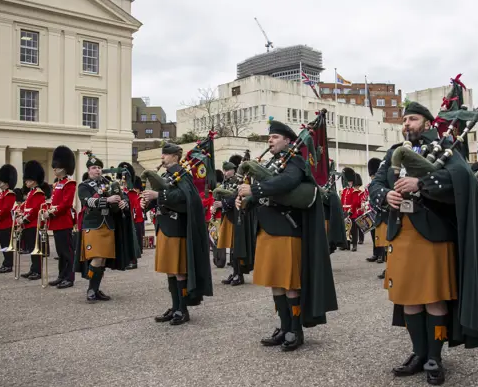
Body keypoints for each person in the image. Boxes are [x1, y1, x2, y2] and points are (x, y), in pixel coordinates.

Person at [369, 101, 478, 385]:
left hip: (432, 233)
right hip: (401, 233)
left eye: (414, 119)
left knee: (433, 299)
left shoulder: (445, 148)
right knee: (409, 300)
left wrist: (421, 184)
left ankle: (434, 356)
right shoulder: (394, 152)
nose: (407, 124)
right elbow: (376, 184)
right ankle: (418, 353)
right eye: (405, 119)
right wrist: (385, 196)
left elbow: (460, 178)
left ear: (428, 123)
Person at [236, 120, 338, 352]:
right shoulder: (272, 164)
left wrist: (256, 189)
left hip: (287, 230)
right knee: (276, 283)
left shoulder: (295, 162)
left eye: (275, 137)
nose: (270, 141)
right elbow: (266, 192)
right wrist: (244, 200)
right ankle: (283, 327)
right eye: (269, 137)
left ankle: (295, 329)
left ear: (288, 141)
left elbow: (287, 182)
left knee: (290, 283)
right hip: (268, 229)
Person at [143, 142, 212, 324]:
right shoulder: (168, 175)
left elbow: (184, 197)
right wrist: (149, 202)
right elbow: (164, 196)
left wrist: (158, 196)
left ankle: (182, 310)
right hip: (165, 227)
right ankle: (175, 307)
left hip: (177, 228)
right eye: (162, 154)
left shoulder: (183, 175)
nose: (162, 157)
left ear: (175, 156)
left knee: (179, 270)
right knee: (170, 271)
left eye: (165, 154)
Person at [75, 152, 140, 302]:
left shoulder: (108, 182)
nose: (97, 170)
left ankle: (96, 289)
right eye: (93, 167)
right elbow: (88, 202)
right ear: (88, 170)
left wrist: (124, 203)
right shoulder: (83, 185)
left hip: (109, 225)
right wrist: (107, 200)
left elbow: (122, 196)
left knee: (103, 260)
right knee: (97, 258)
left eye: (99, 167)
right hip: (92, 225)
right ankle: (91, 289)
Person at [43, 146, 77, 288]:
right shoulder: (57, 184)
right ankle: (61, 275)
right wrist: (46, 210)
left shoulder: (70, 183)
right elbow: (53, 202)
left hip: (64, 221)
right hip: (56, 222)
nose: (54, 169)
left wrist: (51, 212)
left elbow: (65, 204)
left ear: (64, 167)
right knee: (60, 251)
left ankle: (69, 277)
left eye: (56, 167)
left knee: (67, 252)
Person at [218, 155, 245, 285]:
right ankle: (234, 272)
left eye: (227, 170)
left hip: (235, 216)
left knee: (236, 246)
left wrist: (222, 204)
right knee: (231, 246)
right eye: (224, 170)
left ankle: (239, 274)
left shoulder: (236, 181)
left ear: (233, 170)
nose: (225, 173)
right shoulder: (226, 182)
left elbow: (234, 196)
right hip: (227, 215)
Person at [19, 161, 48, 281]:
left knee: (36, 248)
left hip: (33, 224)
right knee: (32, 248)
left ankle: (38, 271)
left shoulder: (38, 192)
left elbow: (36, 209)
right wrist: (19, 214)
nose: (25, 182)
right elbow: (25, 207)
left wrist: (25, 219)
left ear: (33, 180)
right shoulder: (31, 192)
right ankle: (33, 269)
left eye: (27, 180)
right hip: (28, 224)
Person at [0, 164, 18, 274]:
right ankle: (5, 263)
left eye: (1, 182)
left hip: (5, 223)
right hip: (0, 222)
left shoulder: (10, 194)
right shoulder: (1, 194)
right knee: (3, 245)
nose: (0, 185)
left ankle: (9, 265)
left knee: (7, 245)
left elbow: (6, 209)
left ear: (7, 183)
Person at [365, 158, 387, 266]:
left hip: (380, 212)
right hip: (372, 211)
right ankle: (376, 253)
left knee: (382, 236)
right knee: (374, 235)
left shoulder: (381, 183)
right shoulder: (372, 184)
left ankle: (381, 255)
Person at [341, 168, 362, 251]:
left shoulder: (354, 191)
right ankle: (347, 244)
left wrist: (350, 211)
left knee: (353, 229)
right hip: (345, 211)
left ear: (352, 182)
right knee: (346, 229)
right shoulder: (344, 191)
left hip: (352, 212)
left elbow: (355, 202)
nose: (349, 183)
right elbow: (342, 201)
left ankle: (354, 245)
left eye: (350, 181)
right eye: (348, 181)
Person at [127, 177, 146, 270]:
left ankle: (136, 255)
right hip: (133, 219)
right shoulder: (130, 194)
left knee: (138, 237)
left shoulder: (140, 195)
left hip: (138, 219)